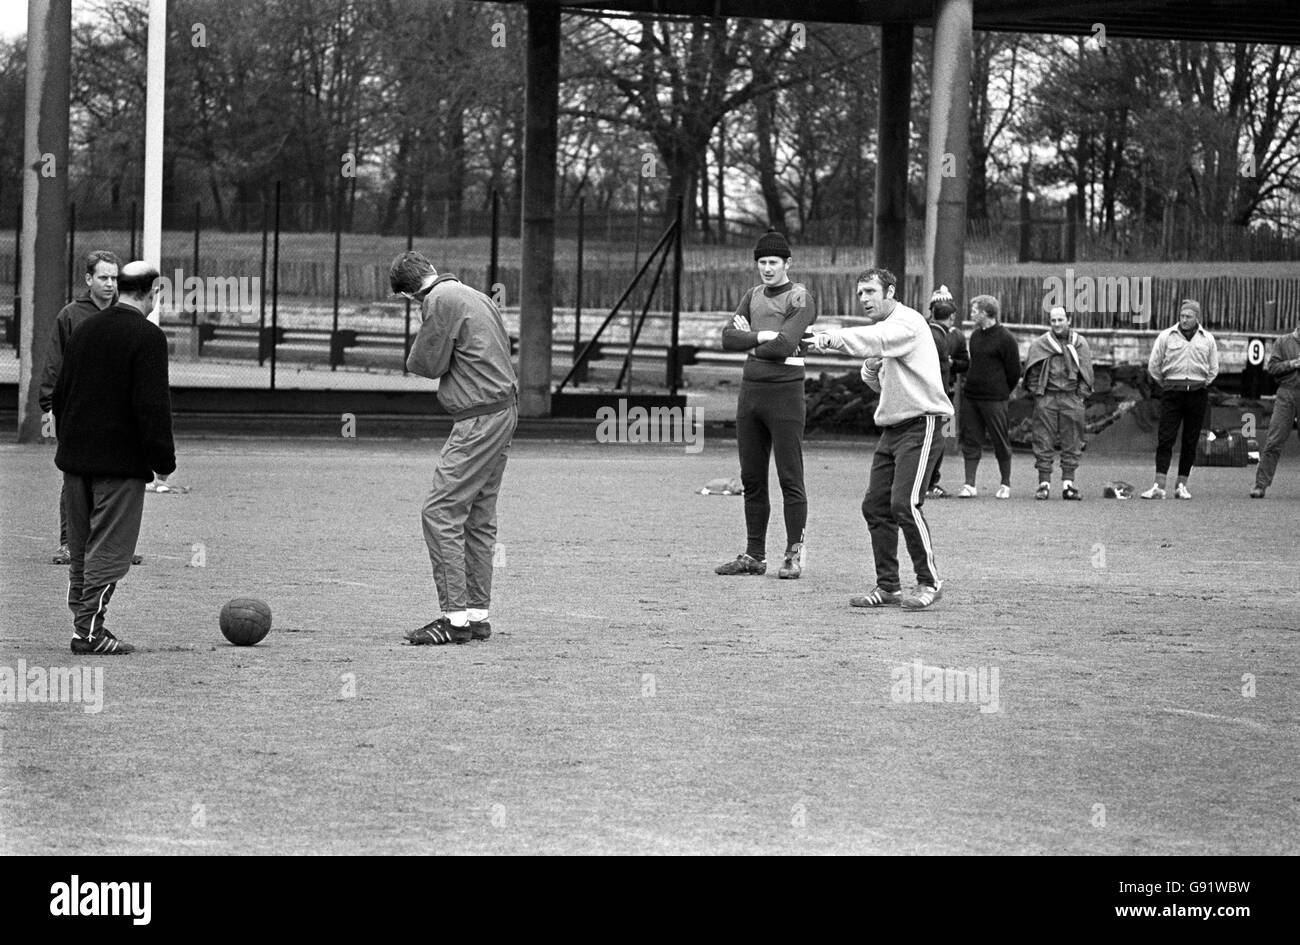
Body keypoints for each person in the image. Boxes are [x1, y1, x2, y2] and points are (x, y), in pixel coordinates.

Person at [390, 251, 518, 645]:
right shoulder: (474, 294)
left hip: (477, 418)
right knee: (478, 517)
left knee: (440, 512)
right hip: (502, 411)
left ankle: (455, 621)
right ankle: (476, 616)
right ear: (429, 269)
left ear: (408, 293)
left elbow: (425, 364)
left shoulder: (438, 301)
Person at [810, 268, 954, 610]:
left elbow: (875, 341)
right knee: (875, 506)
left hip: (923, 424)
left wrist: (833, 339)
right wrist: (871, 368)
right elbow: (879, 381)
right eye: (860, 293)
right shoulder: (886, 333)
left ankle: (929, 581)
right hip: (893, 429)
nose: (864, 299)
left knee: (904, 504)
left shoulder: (908, 322)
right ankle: (888, 587)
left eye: (870, 292)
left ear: (890, 291)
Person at [52, 262, 175, 655]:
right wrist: (163, 460)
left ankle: (84, 626)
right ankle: (89, 633)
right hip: (119, 466)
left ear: (119, 286)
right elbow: (151, 406)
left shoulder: (85, 328)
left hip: (75, 463)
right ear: (152, 291)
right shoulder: (148, 337)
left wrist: (70, 447)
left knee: (83, 548)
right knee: (110, 549)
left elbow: (60, 395)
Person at [716, 229, 817, 579]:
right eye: (762, 262)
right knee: (752, 477)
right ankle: (754, 554)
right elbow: (727, 338)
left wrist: (751, 340)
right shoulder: (752, 295)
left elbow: (785, 346)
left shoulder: (800, 297)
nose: (767, 268)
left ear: (788, 263)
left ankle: (793, 554)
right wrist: (762, 336)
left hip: (785, 394)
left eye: (774, 262)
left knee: (790, 476)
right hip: (751, 393)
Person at [39, 251, 134, 566]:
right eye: (103, 277)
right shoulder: (71, 315)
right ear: (88, 279)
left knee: (114, 481)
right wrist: (49, 406)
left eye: (114, 278)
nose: (110, 284)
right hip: (77, 414)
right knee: (75, 480)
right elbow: (54, 362)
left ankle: (112, 545)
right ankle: (69, 543)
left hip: (117, 415)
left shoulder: (128, 313)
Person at [1142, 300, 1219, 500]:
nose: (1184, 320)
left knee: (1190, 440)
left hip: (1197, 393)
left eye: (1188, 317)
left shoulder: (1208, 339)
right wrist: (1169, 384)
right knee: (1165, 438)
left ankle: (1181, 485)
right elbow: (1154, 366)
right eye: (1182, 316)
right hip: (1172, 393)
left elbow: (1213, 369)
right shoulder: (1166, 336)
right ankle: (1159, 486)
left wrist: (1198, 384)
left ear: (1197, 318)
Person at [1022, 306, 1093, 500]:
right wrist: (1039, 395)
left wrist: (1080, 396)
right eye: (1053, 320)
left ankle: (1068, 484)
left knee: (1073, 439)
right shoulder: (1041, 344)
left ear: (1068, 320)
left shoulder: (1080, 343)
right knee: (1042, 439)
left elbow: (1086, 371)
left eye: (1060, 320)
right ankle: (1043, 484)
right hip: (1048, 396)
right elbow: (1032, 371)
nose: (1057, 324)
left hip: (1071, 396)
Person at [958, 294, 1019, 499]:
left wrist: (1001, 391)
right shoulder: (975, 336)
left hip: (995, 400)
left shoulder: (1006, 339)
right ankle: (969, 484)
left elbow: (1014, 372)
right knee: (970, 440)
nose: (972, 314)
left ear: (985, 313)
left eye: (975, 310)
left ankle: (1005, 484)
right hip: (971, 397)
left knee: (1000, 440)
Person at [924, 285, 968, 498]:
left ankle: (934, 479)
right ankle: (925, 481)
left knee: (943, 437)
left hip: (948, 393)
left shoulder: (957, 336)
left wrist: (951, 363)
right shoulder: (923, 330)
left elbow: (965, 363)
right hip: (928, 394)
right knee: (926, 437)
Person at [1251, 320, 1300, 498]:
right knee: (1274, 440)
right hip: (1286, 393)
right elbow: (1272, 368)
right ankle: (1260, 485)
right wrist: (1293, 364)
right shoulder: (1282, 342)